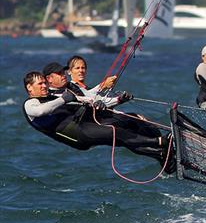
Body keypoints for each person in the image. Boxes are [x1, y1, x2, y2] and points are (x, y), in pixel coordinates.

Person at [23, 70, 174, 172]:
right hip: (76, 136)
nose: (44, 86)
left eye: (44, 82)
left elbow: (82, 99)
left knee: (123, 137)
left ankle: (160, 155)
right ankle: (160, 142)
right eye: (40, 84)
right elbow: (41, 111)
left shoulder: (52, 96)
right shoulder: (30, 104)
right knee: (115, 132)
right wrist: (63, 99)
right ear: (29, 88)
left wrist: (110, 100)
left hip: (82, 126)